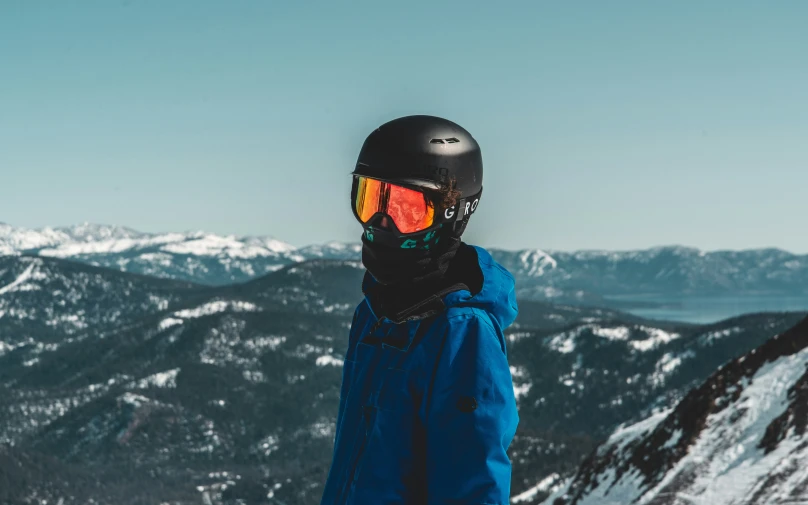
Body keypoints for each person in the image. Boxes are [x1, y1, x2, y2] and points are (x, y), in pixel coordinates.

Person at [320, 115, 519, 505]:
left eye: (405, 209)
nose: (382, 223)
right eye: (370, 199)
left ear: (451, 214)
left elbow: (475, 486)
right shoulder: (374, 312)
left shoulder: (462, 333)